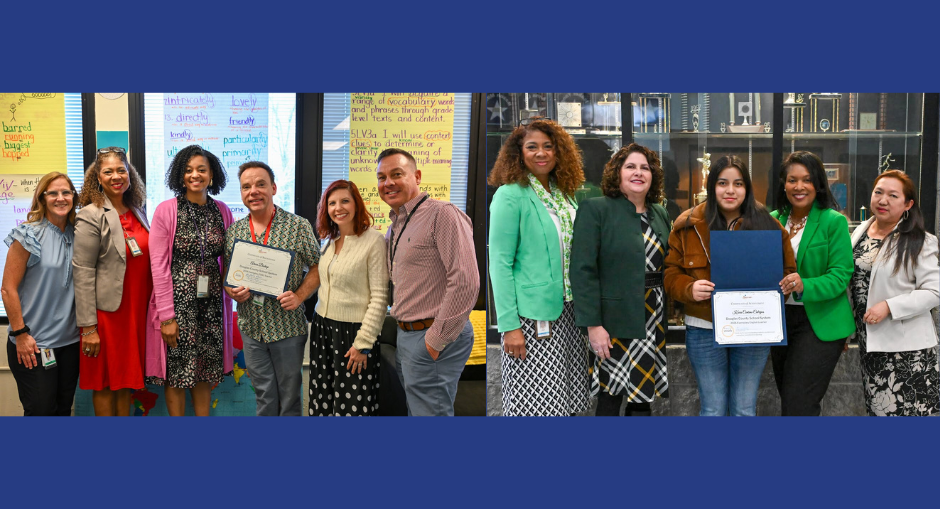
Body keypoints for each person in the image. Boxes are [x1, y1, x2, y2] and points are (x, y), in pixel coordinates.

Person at [664, 155, 796, 416]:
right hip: (704, 328)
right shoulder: (687, 224)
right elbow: (670, 273)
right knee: (712, 410)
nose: (730, 190)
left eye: (738, 184)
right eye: (723, 183)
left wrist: (785, 284)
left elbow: (787, 269)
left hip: (753, 328)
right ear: (712, 186)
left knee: (744, 409)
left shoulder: (768, 225)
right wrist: (689, 288)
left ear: (747, 187)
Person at [487, 119, 590, 416]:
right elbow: (500, 264)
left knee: (567, 402)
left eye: (548, 146)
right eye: (532, 147)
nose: (541, 153)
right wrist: (509, 326)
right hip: (530, 319)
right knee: (536, 406)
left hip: (568, 314)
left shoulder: (563, 193)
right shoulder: (510, 194)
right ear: (519, 153)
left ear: (559, 152)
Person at [571, 144, 671, 416]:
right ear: (617, 174)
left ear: (653, 176)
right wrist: (594, 325)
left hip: (652, 317)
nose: (638, 173)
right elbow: (582, 270)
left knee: (642, 398)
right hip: (614, 321)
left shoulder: (659, 213)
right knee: (610, 396)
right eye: (630, 167)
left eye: (645, 168)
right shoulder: (596, 209)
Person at [377, 147, 479, 416]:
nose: (388, 183)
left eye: (396, 174)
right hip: (408, 334)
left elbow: (466, 280)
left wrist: (436, 340)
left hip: (431, 333)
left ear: (417, 176)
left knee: (429, 414)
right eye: (381, 177)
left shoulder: (442, 214)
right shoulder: (397, 223)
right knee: (420, 411)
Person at [224, 161, 320, 416]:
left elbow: (318, 267)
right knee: (264, 396)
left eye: (260, 184)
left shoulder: (298, 226)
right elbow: (228, 279)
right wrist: (232, 292)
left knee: (289, 397)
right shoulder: (234, 232)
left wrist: (300, 296)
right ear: (242, 193)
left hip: (287, 327)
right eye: (246, 186)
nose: (253, 191)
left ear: (274, 188)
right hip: (251, 329)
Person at [146, 145, 235, 416]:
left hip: (211, 306)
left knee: (205, 370)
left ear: (212, 174)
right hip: (177, 306)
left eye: (201, 170)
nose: (194, 175)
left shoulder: (223, 211)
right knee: (177, 372)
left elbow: (232, 261)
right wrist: (167, 318)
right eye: (188, 170)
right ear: (179, 175)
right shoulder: (166, 210)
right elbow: (158, 267)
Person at [769, 151, 854, 416]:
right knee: (790, 400)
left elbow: (841, 275)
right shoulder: (772, 220)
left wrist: (804, 284)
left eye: (806, 180)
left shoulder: (834, 221)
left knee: (799, 404)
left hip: (819, 322)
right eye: (792, 180)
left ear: (818, 184)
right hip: (780, 321)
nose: (799, 187)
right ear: (784, 184)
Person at [849, 170, 939, 416]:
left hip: (908, 350)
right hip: (871, 345)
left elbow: (934, 291)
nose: (883, 200)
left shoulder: (921, 241)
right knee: (879, 413)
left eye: (892, 195)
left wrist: (889, 306)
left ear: (908, 204)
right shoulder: (858, 234)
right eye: (878, 192)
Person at [73, 147, 152, 416]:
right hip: (108, 315)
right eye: (108, 171)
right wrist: (88, 328)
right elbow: (82, 271)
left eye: (121, 170)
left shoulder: (137, 209)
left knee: (126, 383)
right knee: (106, 383)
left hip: (136, 310)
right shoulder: (90, 214)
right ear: (98, 177)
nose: (116, 176)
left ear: (130, 174)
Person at [1, 172, 80, 415]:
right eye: (53, 193)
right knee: (41, 411)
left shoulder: (80, 235)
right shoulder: (28, 234)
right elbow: (7, 288)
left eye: (66, 192)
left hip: (70, 344)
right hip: (34, 344)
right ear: (42, 198)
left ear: (73, 197)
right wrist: (21, 334)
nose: (60, 198)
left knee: (63, 409)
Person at [309, 180, 387, 416]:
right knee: (322, 398)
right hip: (322, 329)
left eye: (345, 201)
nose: (338, 208)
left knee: (353, 403)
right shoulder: (329, 241)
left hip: (354, 334)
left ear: (356, 204)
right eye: (331, 203)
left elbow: (380, 298)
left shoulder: (373, 240)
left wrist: (363, 344)